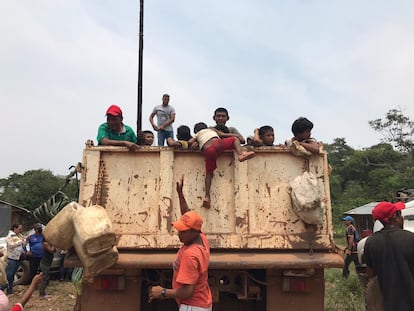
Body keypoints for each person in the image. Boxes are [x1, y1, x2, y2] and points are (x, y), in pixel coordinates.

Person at [148, 176, 212, 311]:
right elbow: (187, 215)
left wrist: (163, 292)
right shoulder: (201, 238)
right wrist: (180, 194)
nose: (179, 233)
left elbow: (188, 292)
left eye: (182, 231)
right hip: (201, 303)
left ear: (194, 232)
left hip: (193, 307)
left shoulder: (190, 255)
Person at [188, 122, 255, 208]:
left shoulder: (197, 134)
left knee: (209, 173)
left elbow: (190, 142)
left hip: (208, 150)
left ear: (196, 130)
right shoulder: (211, 130)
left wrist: (195, 142)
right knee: (234, 140)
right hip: (218, 144)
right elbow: (223, 135)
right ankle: (241, 154)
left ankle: (207, 196)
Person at [364, 201, 414, 311]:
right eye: (400, 214)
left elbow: (370, 274)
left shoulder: (371, 242)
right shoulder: (411, 238)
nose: (402, 217)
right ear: (395, 217)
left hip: (389, 305)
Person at [4, 224, 26, 295]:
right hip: (12, 258)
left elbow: (24, 244)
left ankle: (10, 289)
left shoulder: (20, 236)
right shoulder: (10, 236)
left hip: (18, 257)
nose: (20, 230)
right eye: (19, 229)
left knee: (13, 274)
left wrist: (24, 241)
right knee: (9, 274)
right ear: (15, 228)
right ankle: (3, 288)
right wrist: (20, 242)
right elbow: (11, 245)